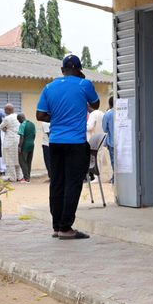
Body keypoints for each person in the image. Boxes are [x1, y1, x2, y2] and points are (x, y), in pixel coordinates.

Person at [36, 54, 100, 240]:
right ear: (79, 70)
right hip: (76, 143)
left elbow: (40, 114)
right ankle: (66, 228)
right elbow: (95, 104)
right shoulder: (83, 84)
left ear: (62, 70)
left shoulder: (49, 87)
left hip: (55, 143)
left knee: (57, 183)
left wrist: (56, 118)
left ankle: (57, 226)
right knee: (73, 184)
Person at [0, 103, 22, 181]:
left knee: (10, 160)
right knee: (17, 160)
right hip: (18, 140)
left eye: (5, 109)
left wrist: (5, 129)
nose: (4, 111)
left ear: (8, 110)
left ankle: (12, 178)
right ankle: (19, 177)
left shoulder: (7, 118)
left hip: (9, 141)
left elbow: (1, 126)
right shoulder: (18, 116)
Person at [17, 113, 36, 183]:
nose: (18, 122)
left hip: (25, 145)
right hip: (32, 144)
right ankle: (28, 177)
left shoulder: (22, 125)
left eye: (18, 120)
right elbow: (34, 135)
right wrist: (31, 142)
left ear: (20, 118)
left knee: (22, 161)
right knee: (29, 161)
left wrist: (19, 147)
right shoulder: (32, 124)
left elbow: (21, 137)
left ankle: (26, 178)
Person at [102, 96, 115, 182]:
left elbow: (105, 129)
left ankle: (115, 178)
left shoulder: (108, 114)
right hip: (125, 141)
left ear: (109, 104)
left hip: (112, 142)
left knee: (113, 161)